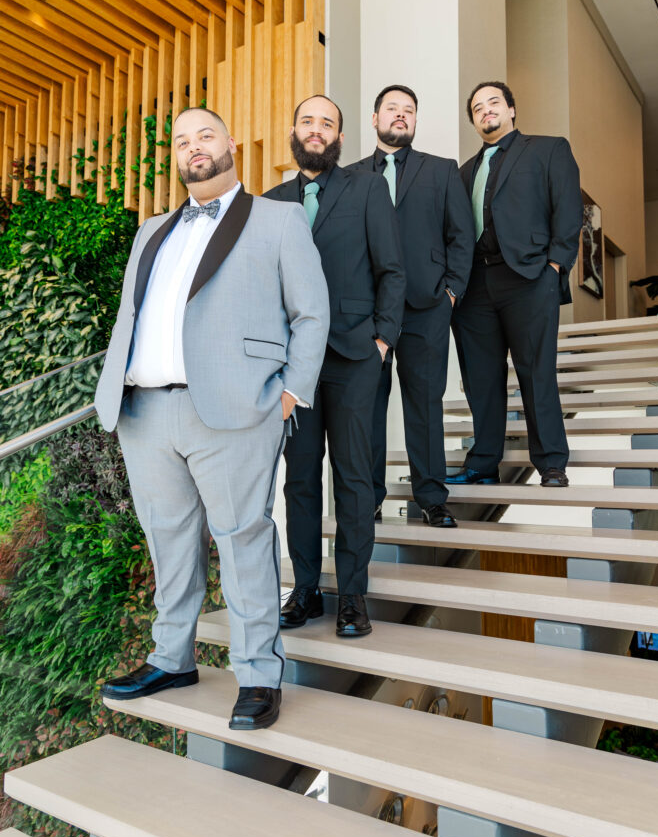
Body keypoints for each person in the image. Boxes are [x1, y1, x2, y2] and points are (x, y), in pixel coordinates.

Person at [96, 107, 329, 731]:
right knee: (168, 541)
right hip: (145, 410)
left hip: (235, 409)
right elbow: (132, 316)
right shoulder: (150, 231)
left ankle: (256, 672)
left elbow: (312, 313)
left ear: (231, 143)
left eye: (205, 135)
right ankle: (171, 657)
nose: (194, 147)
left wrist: (289, 394)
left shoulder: (278, 221)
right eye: (181, 140)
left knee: (243, 539)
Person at [264, 95, 405, 638]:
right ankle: (304, 590)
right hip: (291, 366)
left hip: (354, 356)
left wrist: (383, 339)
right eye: (308, 121)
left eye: (328, 123)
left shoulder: (368, 188)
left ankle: (352, 595)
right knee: (298, 480)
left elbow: (393, 269)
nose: (317, 130)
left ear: (340, 136)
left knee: (351, 479)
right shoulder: (271, 203)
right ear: (294, 131)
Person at [347, 85, 474, 527]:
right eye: (392, 109)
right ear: (375, 117)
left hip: (426, 308)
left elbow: (461, 235)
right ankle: (371, 500)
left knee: (425, 404)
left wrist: (451, 292)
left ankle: (431, 498)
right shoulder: (351, 176)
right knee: (367, 409)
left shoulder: (442, 171)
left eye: (409, 111)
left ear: (415, 121)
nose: (401, 116)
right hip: (365, 313)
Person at [450, 81, 582, 488]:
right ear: (473, 121)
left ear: (511, 109)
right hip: (474, 285)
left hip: (529, 278)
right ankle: (483, 462)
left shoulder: (548, 149)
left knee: (535, 371)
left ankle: (552, 463)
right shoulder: (461, 172)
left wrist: (556, 266)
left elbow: (568, 208)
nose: (486, 110)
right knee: (481, 379)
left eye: (494, 102)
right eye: (477, 108)